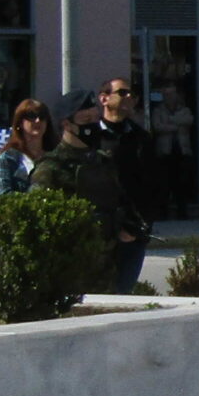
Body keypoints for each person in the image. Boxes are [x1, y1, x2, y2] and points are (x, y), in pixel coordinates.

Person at [32, 89, 131, 281]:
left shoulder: (104, 162)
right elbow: (40, 220)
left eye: (96, 120)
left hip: (107, 263)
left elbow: (119, 202)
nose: (93, 126)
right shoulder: (51, 168)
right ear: (66, 124)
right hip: (68, 267)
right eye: (86, 121)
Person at [97, 78, 159, 294]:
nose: (129, 97)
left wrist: (140, 226)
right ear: (104, 98)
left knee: (122, 296)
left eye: (132, 94)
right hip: (99, 234)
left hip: (133, 235)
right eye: (122, 93)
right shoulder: (91, 138)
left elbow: (153, 186)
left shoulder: (141, 138)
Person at [0, 100, 49, 197]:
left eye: (42, 116)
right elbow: (3, 197)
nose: (38, 120)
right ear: (20, 123)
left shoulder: (55, 156)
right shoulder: (6, 159)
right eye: (31, 116)